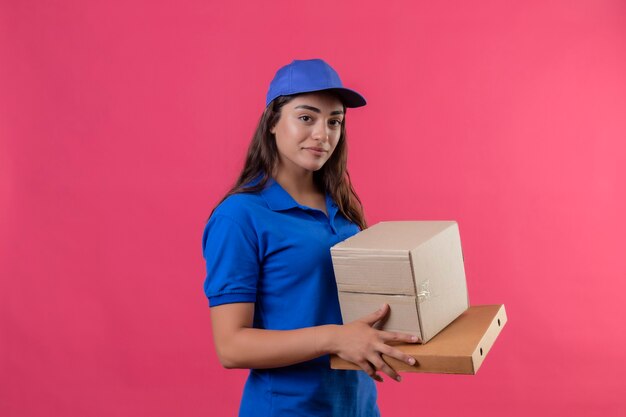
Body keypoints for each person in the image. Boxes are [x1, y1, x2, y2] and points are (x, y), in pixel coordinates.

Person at [202, 58, 419, 417]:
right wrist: (335, 337)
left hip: (357, 406)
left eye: (335, 121)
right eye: (306, 117)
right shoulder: (240, 216)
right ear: (273, 122)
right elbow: (231, 346)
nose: (323, 133)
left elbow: (354, 309)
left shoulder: (341, 207)